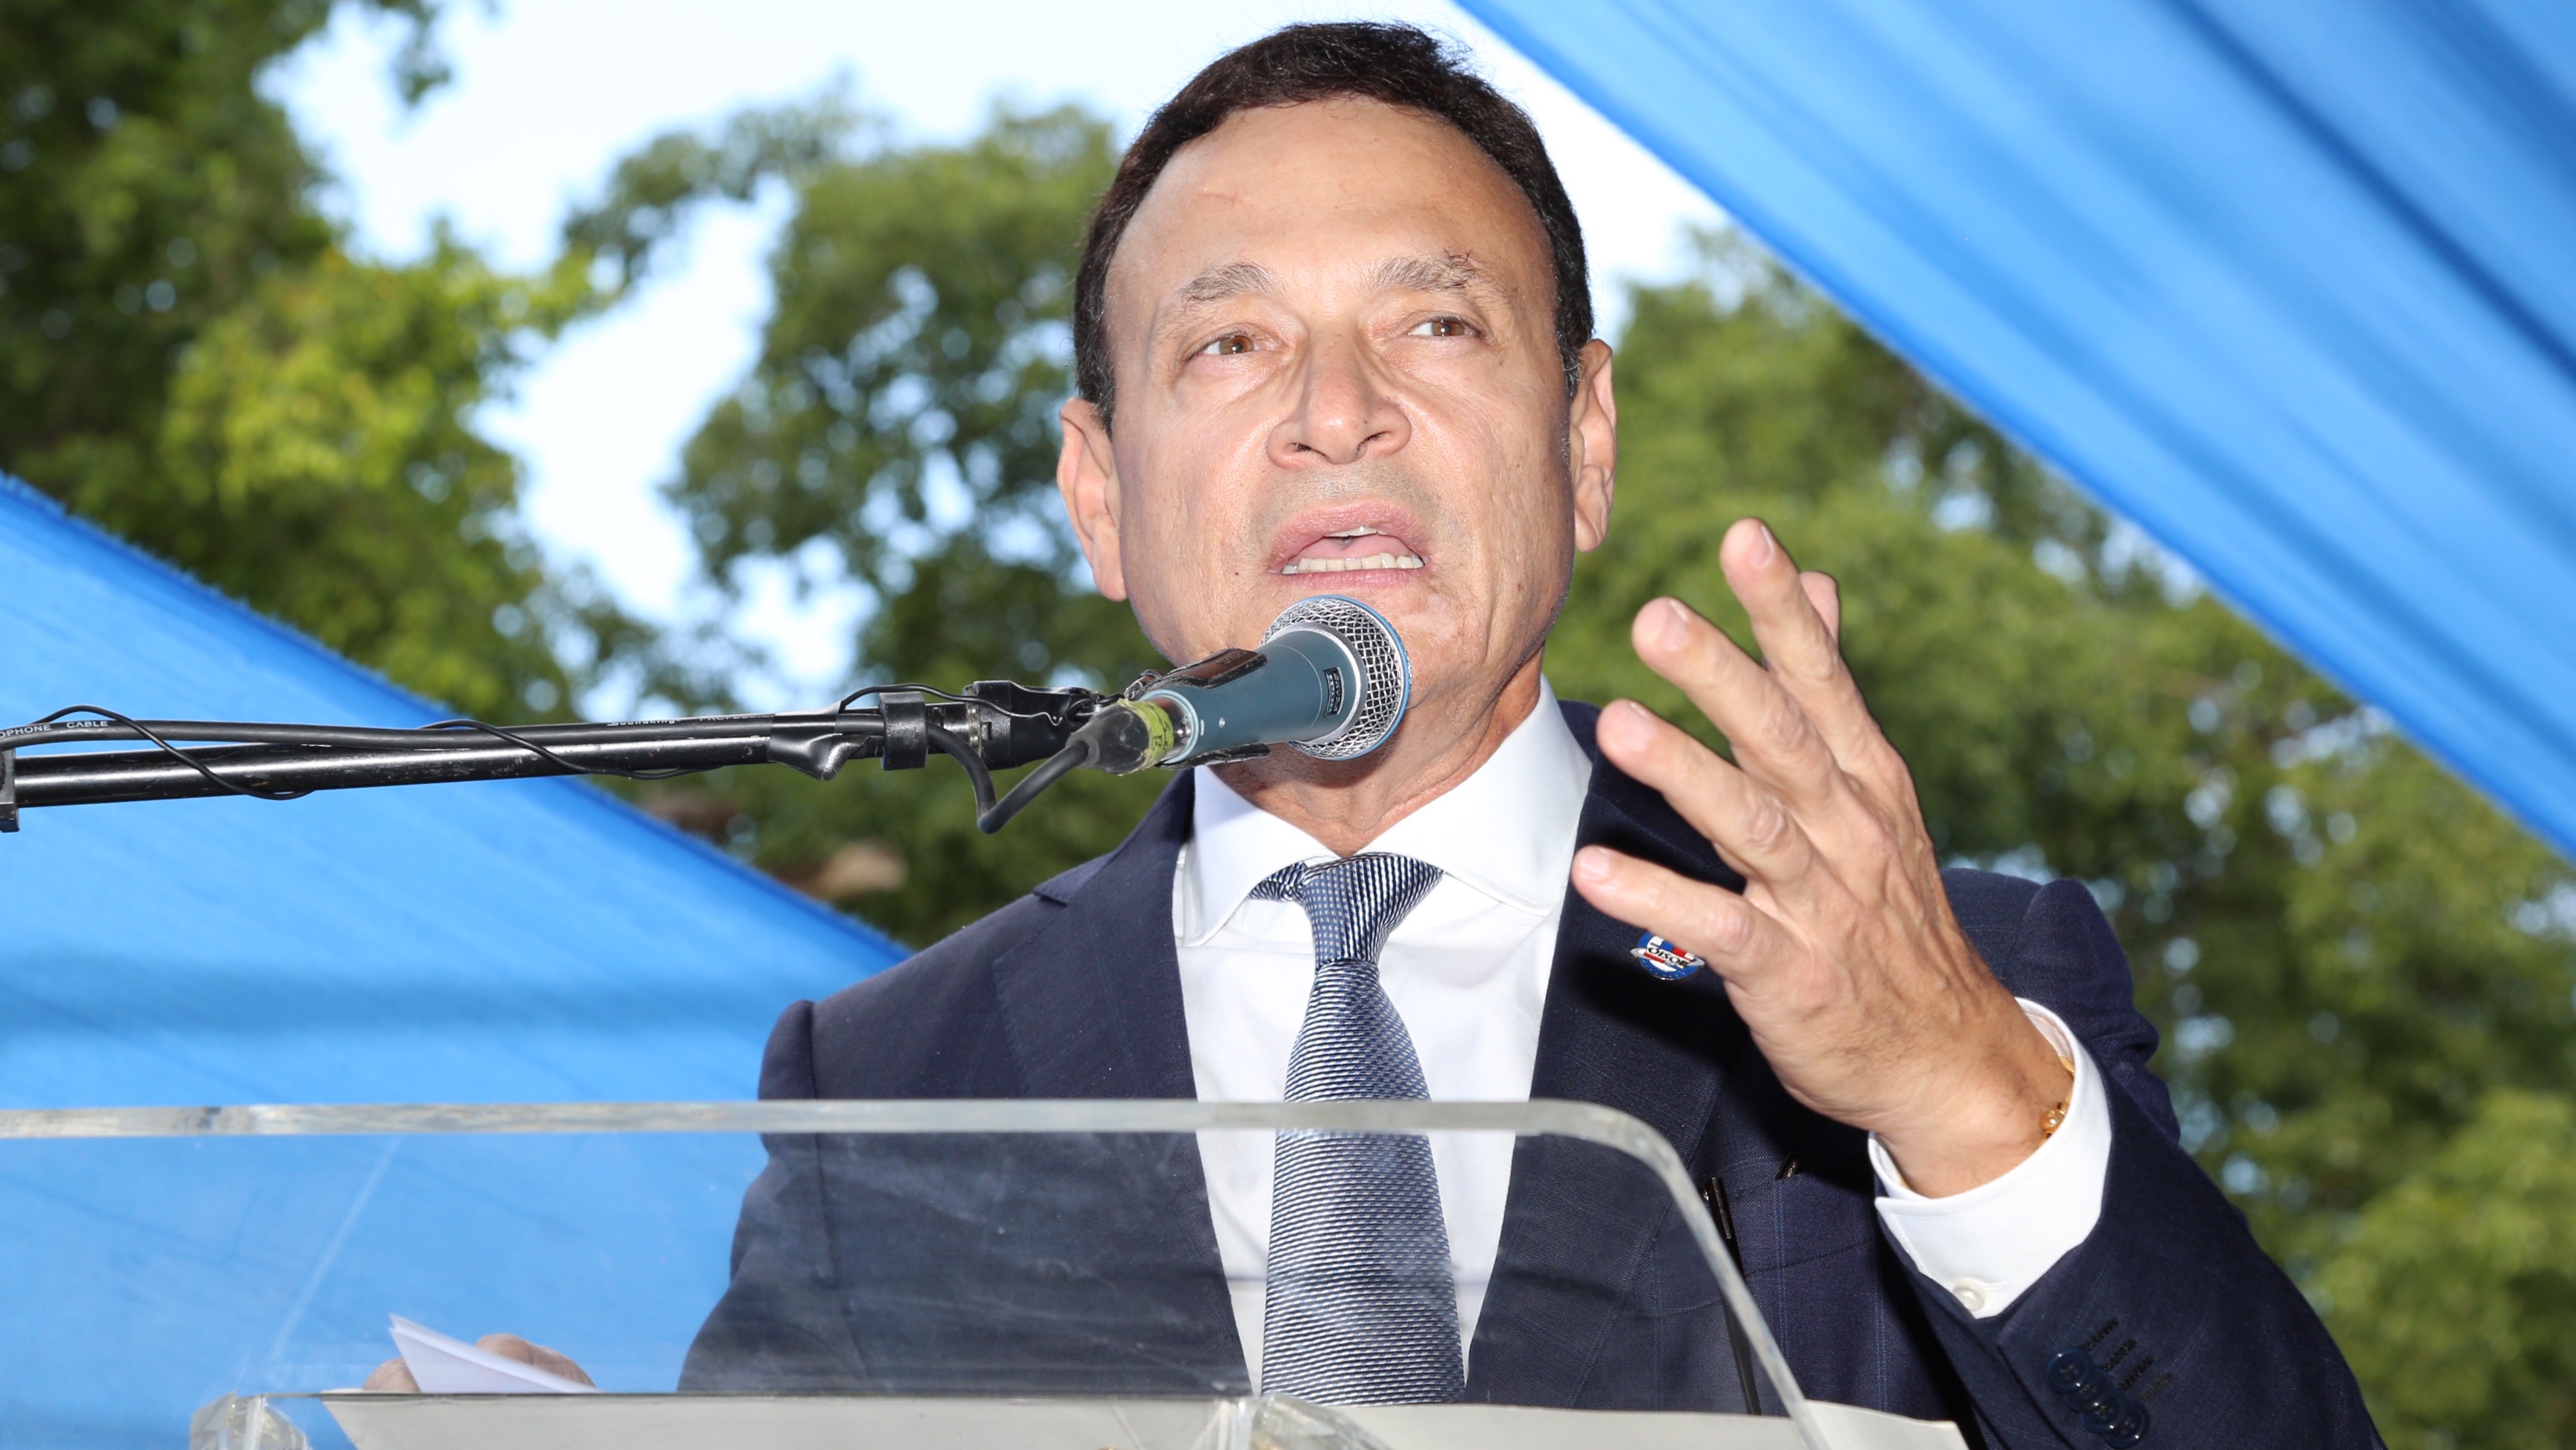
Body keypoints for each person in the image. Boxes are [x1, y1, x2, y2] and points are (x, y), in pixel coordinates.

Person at [404, 22, 2378, 1445]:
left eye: (1435, 326)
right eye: (1231, 342)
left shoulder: (1960, 977)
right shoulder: (898, 1080)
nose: (1335, 412)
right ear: (1099, 492)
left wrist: (1955, 1090)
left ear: (1583, 443)